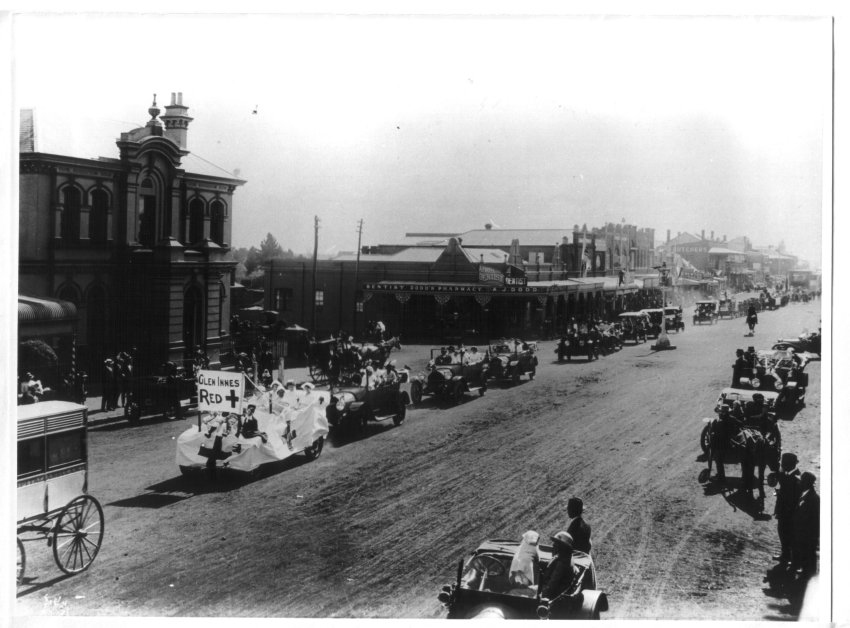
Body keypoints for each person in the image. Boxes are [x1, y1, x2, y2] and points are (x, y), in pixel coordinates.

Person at [773, 452, 801, 567]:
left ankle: (791, 558)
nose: (782, 465)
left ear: (789, 464)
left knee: (789, 534)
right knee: (782, 531)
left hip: (790, 512)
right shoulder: (787, 474)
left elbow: (795, 497)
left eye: (783, 463)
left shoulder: (796, 478)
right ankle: (785, 555)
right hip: (783, 509)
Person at [793, 471, 820, 576]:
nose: (799, 483)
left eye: (801, 481)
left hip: (809, 532)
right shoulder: (805, 494)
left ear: (806, 483)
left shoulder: (814, 498)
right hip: (804, 531)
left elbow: (814, 518)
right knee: (804, 550)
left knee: (809, 552)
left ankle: (809, 573)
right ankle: (805, 570)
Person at [540, 531, 576, 601]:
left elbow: (552, 583)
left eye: (557, 543)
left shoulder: (563, 563)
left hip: (554, 596)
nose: (553, 545)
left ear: (563, 547)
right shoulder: (564, 558)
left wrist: (542, 596)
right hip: (553, 591)